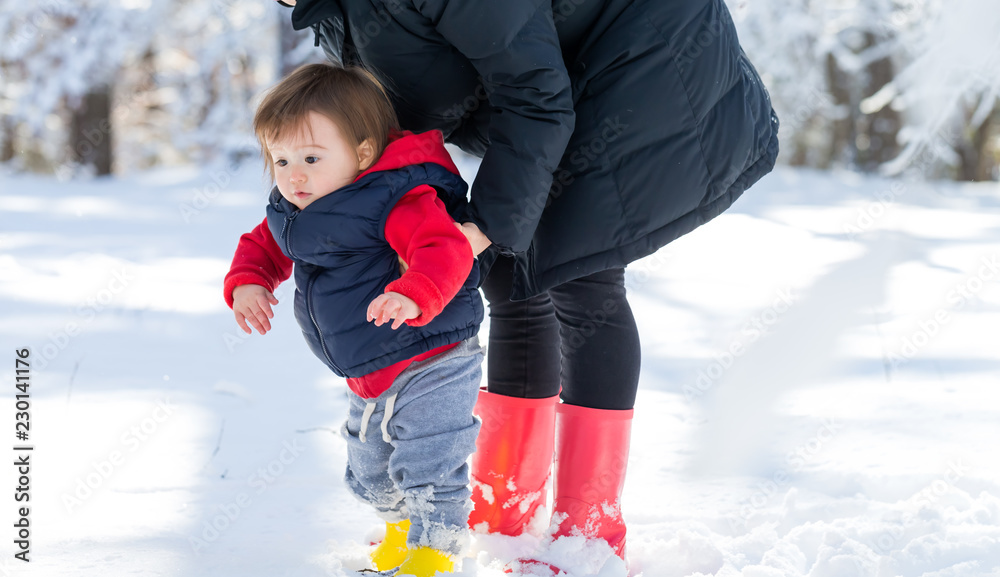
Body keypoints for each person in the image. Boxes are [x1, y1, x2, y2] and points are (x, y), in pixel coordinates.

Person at [277, 0, 780, 571]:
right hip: (549, 84)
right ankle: (503, 508)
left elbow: (534, 92)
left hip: (643, 68)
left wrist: (484, 227)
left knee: (583, 280)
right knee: (510, 277)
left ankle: (588, 531)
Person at [222, 63, 486, 576]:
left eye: (311, 158)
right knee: (370, 470)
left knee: (430, 462)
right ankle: (399, 530)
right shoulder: (297, 206)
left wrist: (414, 293)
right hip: (366, 368)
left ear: (362, 153)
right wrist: (250, 280)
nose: (293, 175)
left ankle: (434, 553)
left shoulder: (398, 197)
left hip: (432, 355)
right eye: (280, 160)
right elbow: (264, 244)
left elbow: (442, 247)